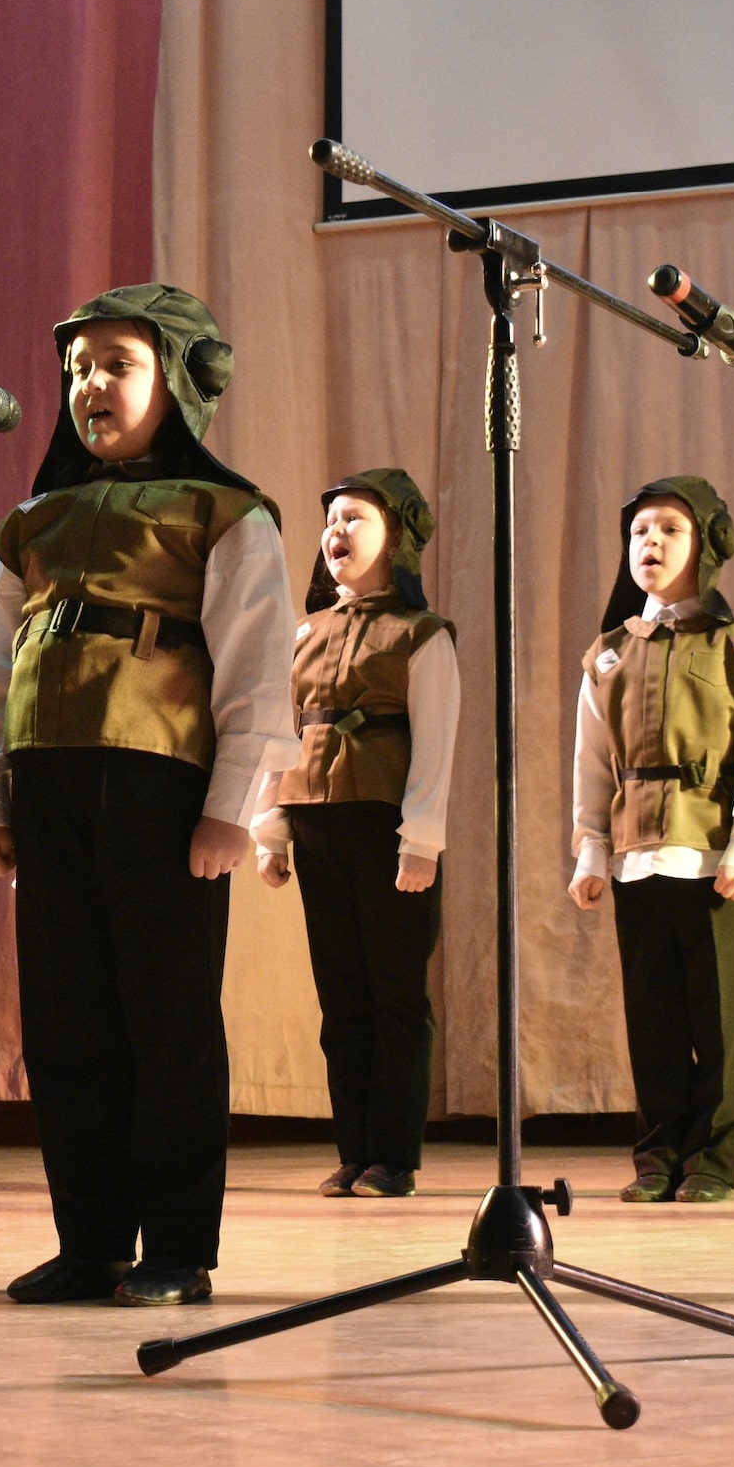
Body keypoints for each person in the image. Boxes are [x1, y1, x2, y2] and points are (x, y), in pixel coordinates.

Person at [0, 283, 297, 1307]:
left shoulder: (225, 514)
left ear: (179, 386)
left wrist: (230, 806)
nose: (89, 384)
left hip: (161, 787)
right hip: (51, 783)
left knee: (167, 1019)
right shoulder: (34, 520)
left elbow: (256, 669)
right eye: (75, 368)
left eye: (117, 363)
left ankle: (178, 1248)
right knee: (67, 1020)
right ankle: (91, 1237)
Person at [251, 469, 459, 1199]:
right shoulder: (306, 631)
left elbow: (436, 745)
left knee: (395, 993)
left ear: (397, 538)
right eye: (331, 520)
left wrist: (421, 840)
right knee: (341, 997)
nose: (336, 533)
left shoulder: (422, 635)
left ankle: (394, 1156)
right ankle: (354, 1147)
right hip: (316, 822)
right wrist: (270, 828)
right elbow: (281, 732)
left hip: (386, 826)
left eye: (356, 519)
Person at [568, 476, 734, 1204]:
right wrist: (591, 851)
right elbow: (592, 761)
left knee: (721, 1019)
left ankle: (714, 1157)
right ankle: (657, 1156)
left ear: (706, 546)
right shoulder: (611, 653)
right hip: (633, 858)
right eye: (640, 532)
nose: (649, 544)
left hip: (710, 853)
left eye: (669, 531)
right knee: (652, 1018)